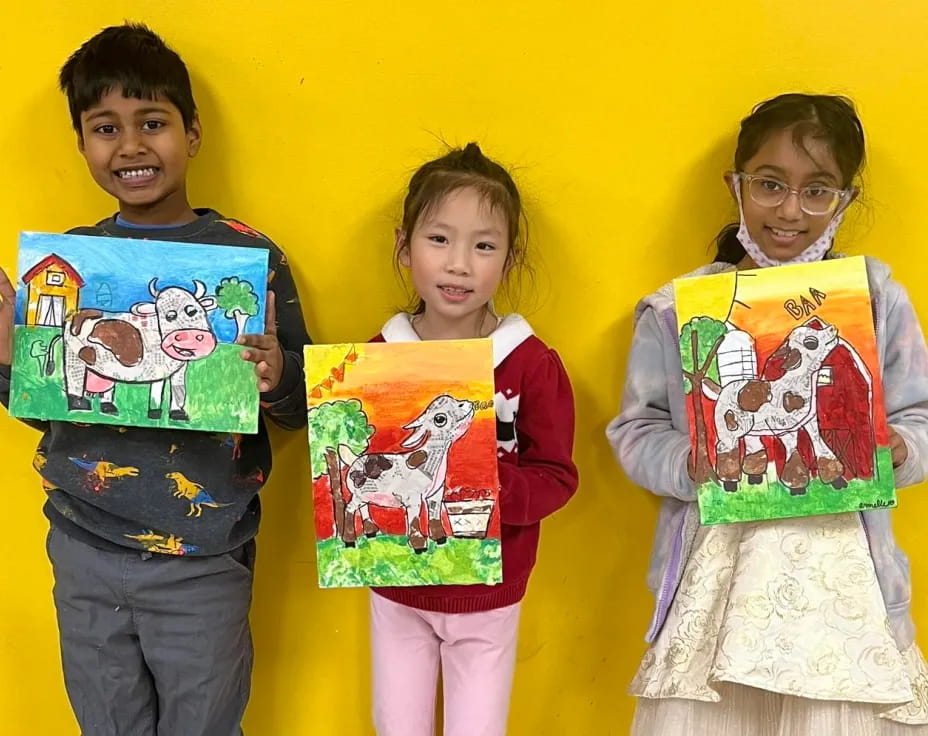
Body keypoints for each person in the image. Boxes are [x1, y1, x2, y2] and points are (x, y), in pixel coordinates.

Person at [0, 23, 310, 735]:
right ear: (82, 145)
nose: (131, 146)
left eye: (153, 123)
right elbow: (46, 408)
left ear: (191, 134)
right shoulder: (74, 260)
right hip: (83, 546)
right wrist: (8, 357)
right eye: (106, 128)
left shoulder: (248, 257)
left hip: (203, 560)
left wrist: (275, 375)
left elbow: (302, 409)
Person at [608, 93, 928, 734]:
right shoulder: (678, 310)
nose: (789, 210)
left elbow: (919, 414)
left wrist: (900, 447)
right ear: (737, 185)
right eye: (770, 184)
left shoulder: (876, 301)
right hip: (717, 584)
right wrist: (689, 462)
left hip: (845, 590)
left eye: (817, 191)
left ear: (844, 200)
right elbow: (636, 428)